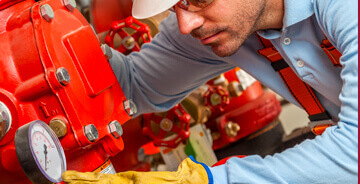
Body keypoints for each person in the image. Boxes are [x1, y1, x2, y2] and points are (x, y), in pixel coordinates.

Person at [63, 0, 358, 183]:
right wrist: (60, 48)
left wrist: (208, 180)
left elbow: (354, 152)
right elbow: (135, 85)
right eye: (172, 7)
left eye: (199, 0)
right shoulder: (207, 24)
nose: (185, 25)